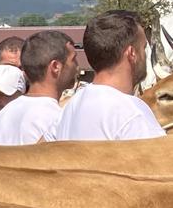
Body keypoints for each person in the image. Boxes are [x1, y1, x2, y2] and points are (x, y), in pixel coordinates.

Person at [53, 10, 165, 142]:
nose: (145, 55)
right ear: (132, 53)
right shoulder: (131, 112)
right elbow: (162, 160)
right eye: (144, 48)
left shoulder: (70, 107)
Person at [0, 30, 76, 147]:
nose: (77, 66)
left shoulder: (4, 114)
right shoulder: (55, 118)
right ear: (56, 67)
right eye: (73, 60)